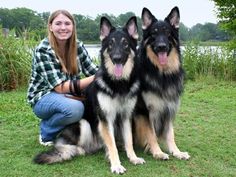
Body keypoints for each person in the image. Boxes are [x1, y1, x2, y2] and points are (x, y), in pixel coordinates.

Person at [27, 10, 98, 146]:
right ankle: (46, 131)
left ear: (73, 26)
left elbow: (91, 70)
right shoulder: (43, 50)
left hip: (68, 94)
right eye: (58, 23)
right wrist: (97, 77)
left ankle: (84, 133)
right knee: (75, 109)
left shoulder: (78, 45)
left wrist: (110, 70)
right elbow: (60, 87)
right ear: (50, 27)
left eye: (67, 23)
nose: (63, 28)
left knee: (93, 99)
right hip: (42, 97)